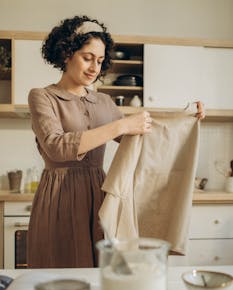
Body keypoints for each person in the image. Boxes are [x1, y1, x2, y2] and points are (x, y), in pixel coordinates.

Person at [27, 15, 205, 268]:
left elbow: (145, 136)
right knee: (59, 271)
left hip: (99, 194)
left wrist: (187, 117)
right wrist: (121, 124)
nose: (94, 68)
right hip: (58, 196)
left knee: (101, 271)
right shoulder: (42, 97)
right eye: (87, 57)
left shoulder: (103, 102)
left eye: (99, 61)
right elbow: (56, 147)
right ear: (66, 53)